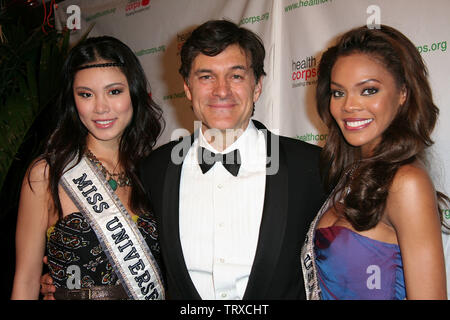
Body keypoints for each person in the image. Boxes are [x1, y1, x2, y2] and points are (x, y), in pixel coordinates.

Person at [139, 19, 326, 299]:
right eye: (206, 77)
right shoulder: (154, 170)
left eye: (236, 76)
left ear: (258, 86)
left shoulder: (313, 167)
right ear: (188, 89)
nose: (221, 91)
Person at [11, 36, 165, 300]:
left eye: (114, 91)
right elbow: (25, 281)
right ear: (73, 101)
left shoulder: (153, 171)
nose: (101, 107)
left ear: (134, 92)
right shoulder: (48, 174)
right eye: (86, 94)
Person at [301, 25, 448, 300]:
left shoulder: (406, 183)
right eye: (338, 92)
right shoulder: (351, 174)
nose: (349, 106)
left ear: (403, 93)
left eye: (368, 91)